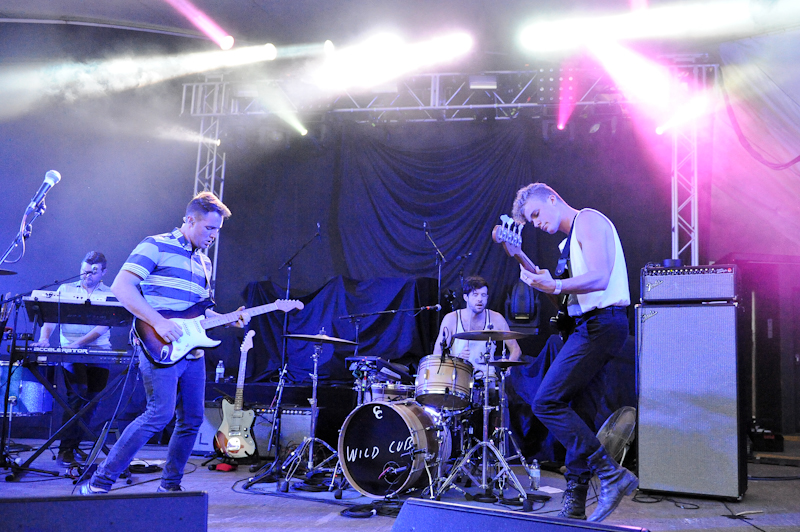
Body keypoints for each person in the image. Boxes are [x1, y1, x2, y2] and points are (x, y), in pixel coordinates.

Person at [80, 192, 248, 494]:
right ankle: (100, 482)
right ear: (189, 220)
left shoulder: (204, 263)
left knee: (193, 419)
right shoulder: (156, 244)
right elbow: (122, 286)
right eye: (209, 228)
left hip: (192, 352)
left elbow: (200, 310)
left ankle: (170, 488)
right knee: (159, 413)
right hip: (158, 345)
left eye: (217, 230)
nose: (213, 235)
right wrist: (157, 321)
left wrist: (228, 318)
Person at [512, 183, 636, 522]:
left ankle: (611, 475)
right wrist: (546, 284)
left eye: (536, 214)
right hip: (591, 325)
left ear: (553, 199)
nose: (536, 223)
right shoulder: (568, 244)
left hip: (602, 325)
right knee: (580, 414)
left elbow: (599, 278)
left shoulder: (590, 220)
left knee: (545, 402)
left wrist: (555, 284)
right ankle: (575, 506)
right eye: (530, 220)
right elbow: (569, 302)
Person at [31, 251, 112, 467]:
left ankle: (74, 445)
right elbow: (51, 317)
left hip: (98, 351)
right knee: (78, 396)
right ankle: (65, 449)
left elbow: (103, 326)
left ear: (103, 272)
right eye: (84, 271)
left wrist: (78, 344)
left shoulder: (109, 293)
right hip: (71, 352)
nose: (87, 276)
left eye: (93, 272)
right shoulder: (65, 289)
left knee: (92, 401)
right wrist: (44, 338)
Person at [433, 275, 521, 373]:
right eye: (475, 294)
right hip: (459, 377)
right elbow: (437, 353)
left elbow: (516, 349)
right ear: (465, 297)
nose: (480, 299)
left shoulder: (496, 318)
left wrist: (508, 365)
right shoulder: (451, 319)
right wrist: (456, 358)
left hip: (487, 379)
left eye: (483, 295)